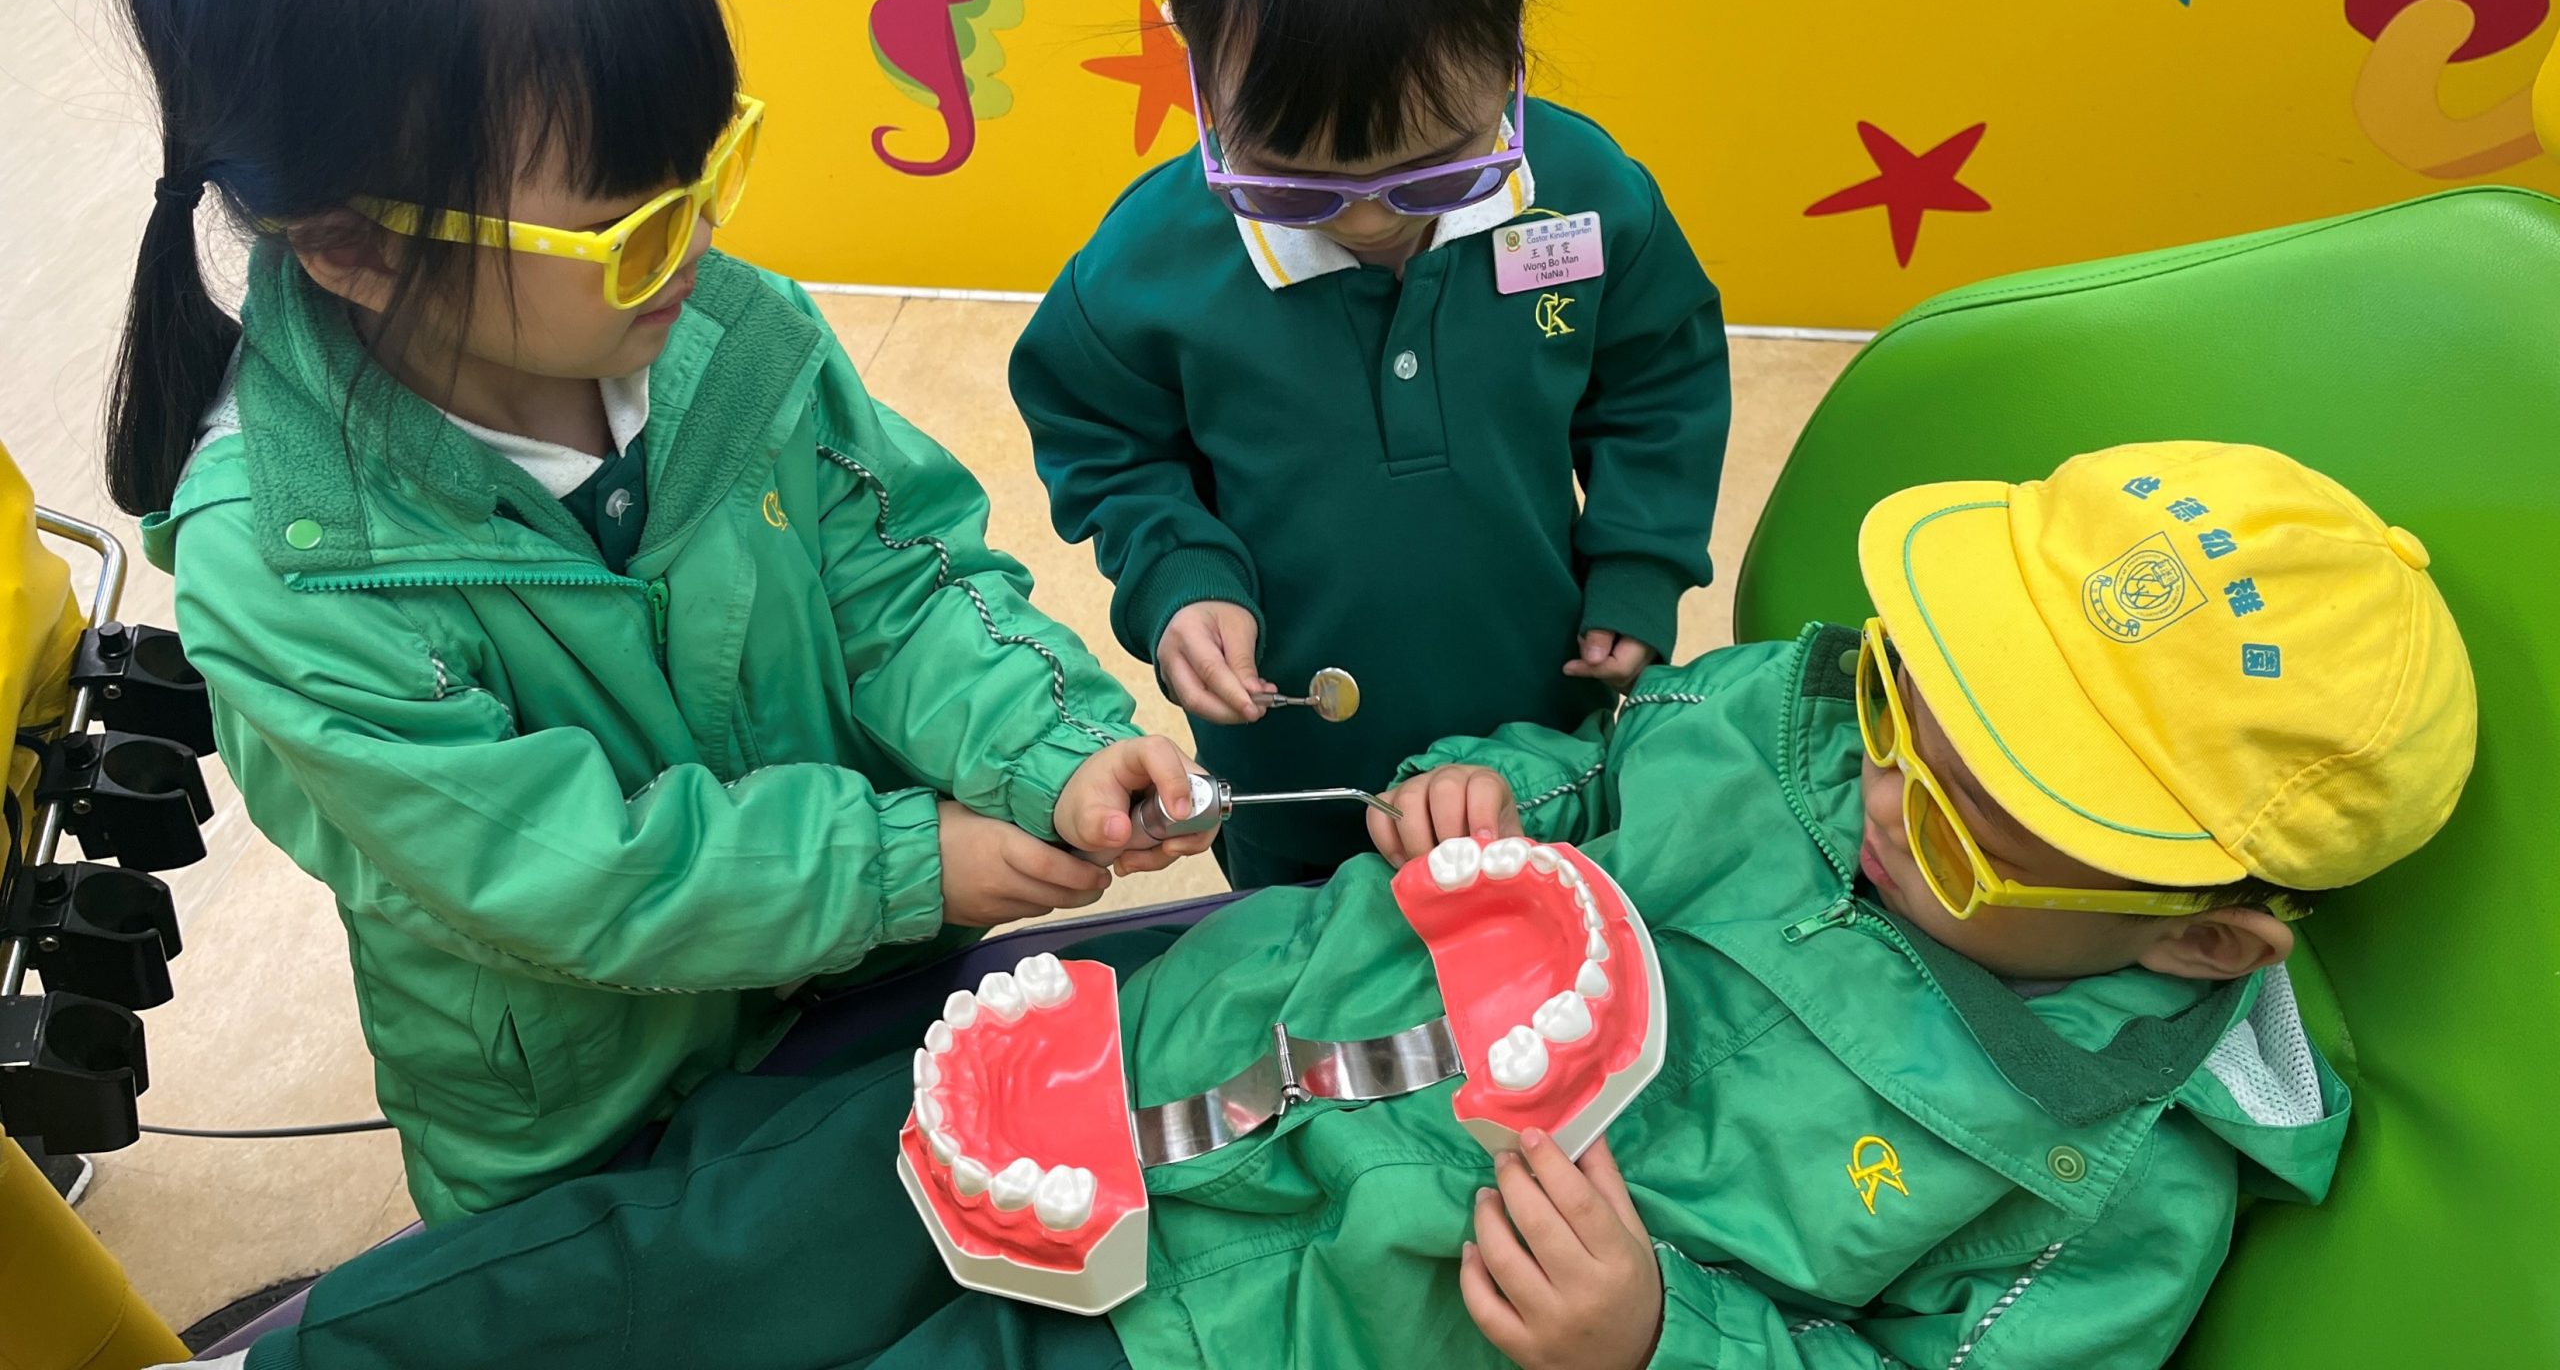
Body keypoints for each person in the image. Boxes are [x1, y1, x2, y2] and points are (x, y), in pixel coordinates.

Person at [187, 439, 2476, 1370]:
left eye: (1977, 828)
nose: (1881, 802)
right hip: (1149, 1058)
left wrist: (1658, 1335)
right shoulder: (1803, 720)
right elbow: (1599, 774)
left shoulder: (2114, 1197)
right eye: (1902, 701)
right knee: (715, 1231)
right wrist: (1501, 785)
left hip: (1280, 1327)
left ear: (2204, 934)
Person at [110, 0, 1208, 1221]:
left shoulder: (728, 335)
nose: (694, 249)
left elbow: (901, 579)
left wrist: (1042, 746)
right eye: (628, 225)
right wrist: (898, 864)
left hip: (873, 1004)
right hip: (591, 1132)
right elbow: (555, 869)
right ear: (355, 250)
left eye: (706, 170)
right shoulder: (287, 563)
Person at [1010, 0, 1731, 886]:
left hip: (1532, 738)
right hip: (1292, 762)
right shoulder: (1145, 270)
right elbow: (1104, 441)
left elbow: (1658, 380)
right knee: (1308, 955)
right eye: (1295, 182)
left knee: (1532, 940)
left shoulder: (1587, 196)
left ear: (1510, 31)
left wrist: (1639, 559)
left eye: (1433, 170)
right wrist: (1177, 576)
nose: (1366, 219)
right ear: (1197, 58)